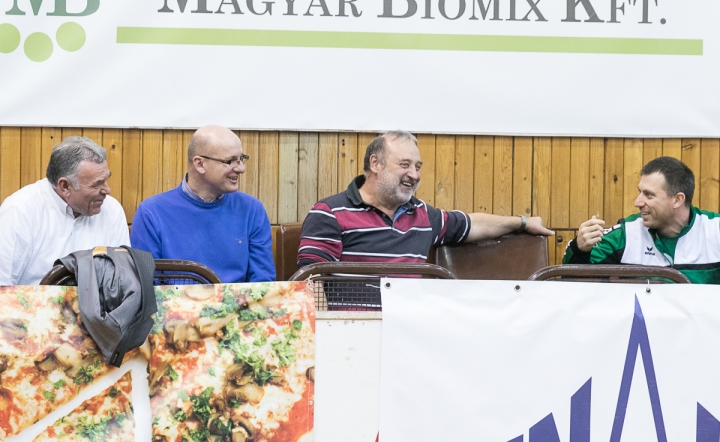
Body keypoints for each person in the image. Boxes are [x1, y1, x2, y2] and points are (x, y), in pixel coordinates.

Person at [297, 130, 553, 268]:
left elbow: (474, 224)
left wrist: (521, 222)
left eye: (418, 166)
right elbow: (309, 286)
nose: (414, 175)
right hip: (349, 332)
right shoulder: (329, 213)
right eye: (405, 164)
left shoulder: (422, 215)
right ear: (375, 164)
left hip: (409, 332)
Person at [130, 125, 275, 283]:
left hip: (240, 307)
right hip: (175, 306)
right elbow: (148, 288)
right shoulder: (151, 213)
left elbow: (263, 284)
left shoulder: (252, 210)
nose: (241, 168)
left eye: (241, 159)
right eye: (230, 161)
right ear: (199, 164)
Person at [562, 156, 720, 284]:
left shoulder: (715, 230)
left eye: (649, 195)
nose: (637, 202)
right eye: (640, 192)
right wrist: (579, 249)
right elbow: (574, 282)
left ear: (677, 200)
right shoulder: (625, 234)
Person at [0, 136, 129, 285]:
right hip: (32, 305)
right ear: (65, 186)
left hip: (101, 307)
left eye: (106, 180)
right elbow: (3, 286)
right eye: (97, 184)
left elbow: (122, 280)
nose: (107, 190)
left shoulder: (112, 210)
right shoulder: (20, 211)